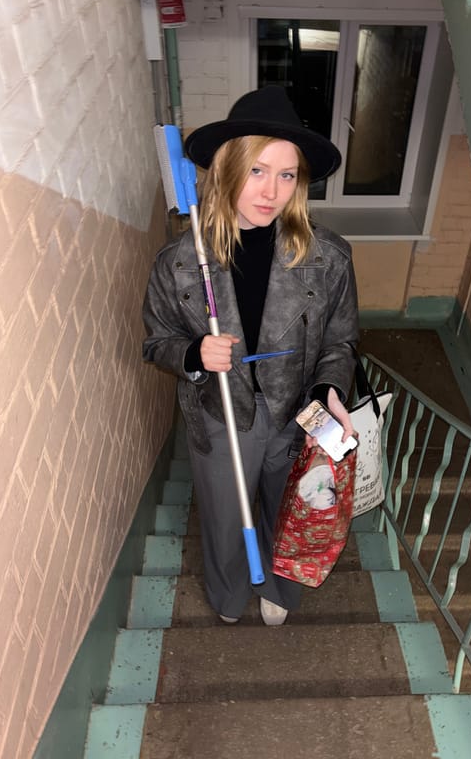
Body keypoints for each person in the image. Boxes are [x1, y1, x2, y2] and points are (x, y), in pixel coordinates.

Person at [142, 85, 359, 626]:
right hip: (219, 416)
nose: (272, 191)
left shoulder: (327, 257)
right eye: (259, 171)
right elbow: (156, 340)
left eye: (288, 175)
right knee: (224, 517)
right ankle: (229, 591)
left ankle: (281, 590)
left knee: (288, 508)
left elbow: (341, 340)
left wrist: (327, 388)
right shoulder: (179, 262)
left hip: (294, 414)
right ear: (227, 168)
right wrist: (193, 351)